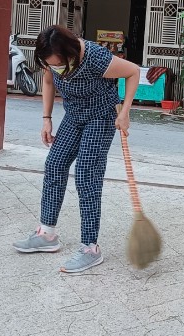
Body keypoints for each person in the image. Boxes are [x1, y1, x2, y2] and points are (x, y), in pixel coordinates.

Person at [13, 25, 144, 273]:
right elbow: (48, 81)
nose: (55, 68)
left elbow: (133, 72)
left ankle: (90, 248)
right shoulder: (50, 58)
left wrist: (125, 112)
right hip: (73, 116)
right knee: (55, 164)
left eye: (59, 64)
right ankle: (47, 234)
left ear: (70, 53)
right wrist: (46, 118)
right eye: (51, 64)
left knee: (86, 175)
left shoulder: (95, 57)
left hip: (101, 117)